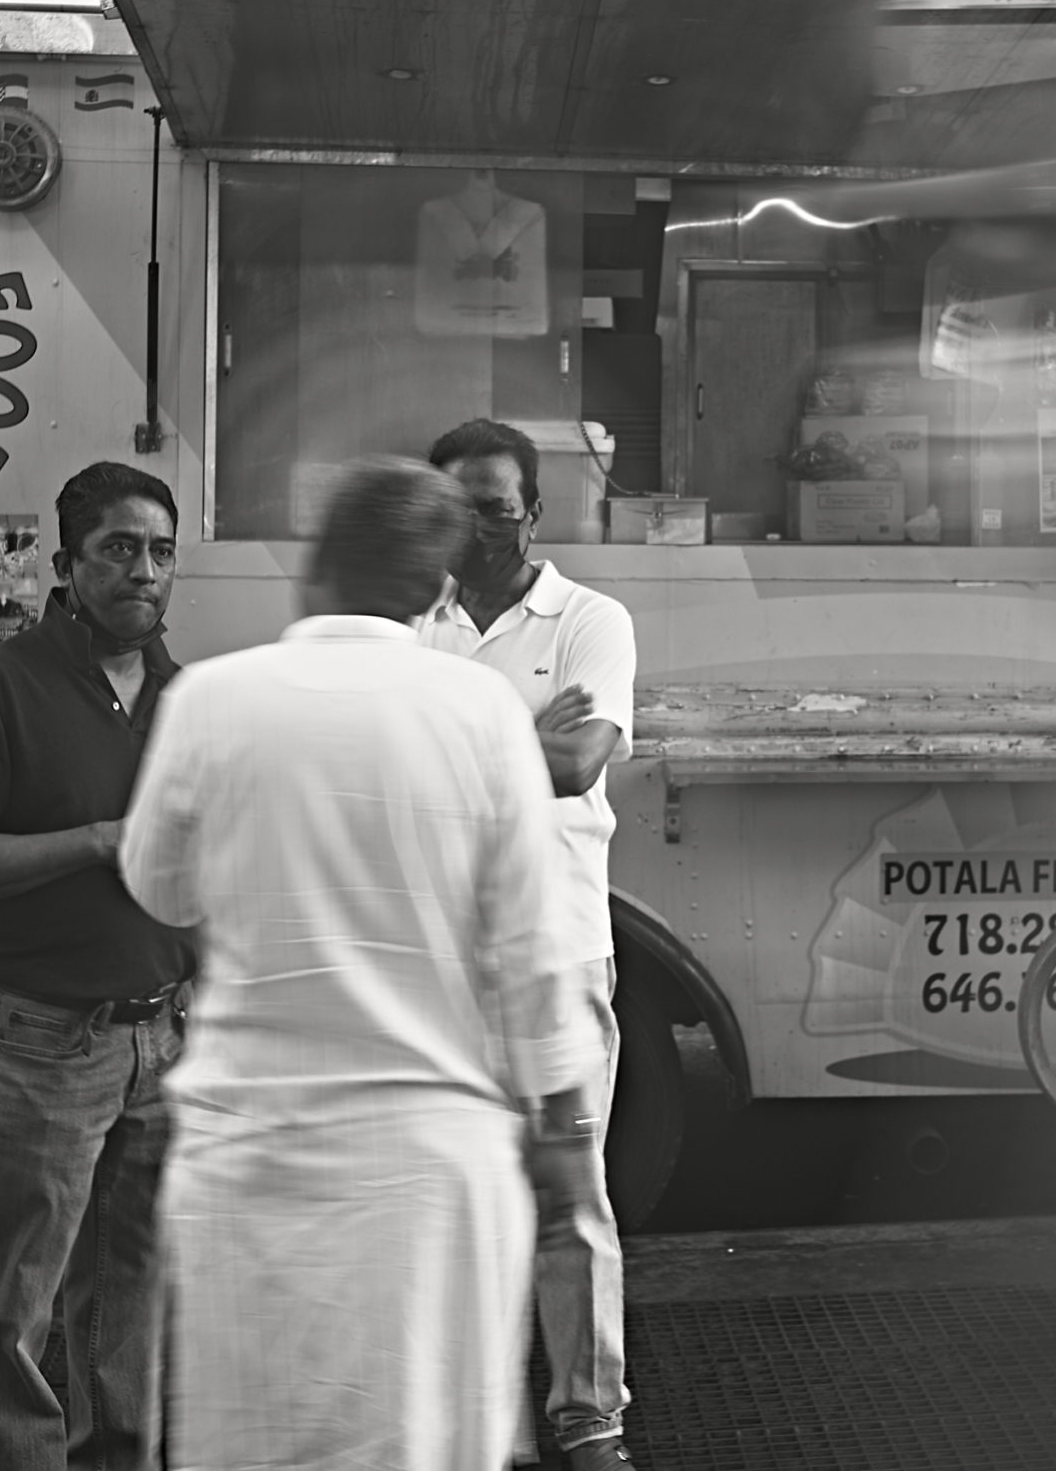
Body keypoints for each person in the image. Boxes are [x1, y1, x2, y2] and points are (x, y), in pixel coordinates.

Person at [120, 455, 597, 1471]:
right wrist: (561, 1117)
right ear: (434, 591)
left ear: (316, 571)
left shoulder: (211, 698)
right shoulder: (479, 714)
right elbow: (531, 947)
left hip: (252, 1159)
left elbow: (161, 889)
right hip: (430, 1170)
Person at [0, 461, 194, 1471]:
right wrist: (96, 840)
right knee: (15, 1313)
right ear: (66, 565)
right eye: (119, 549)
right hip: (41, 1043)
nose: (144, 572)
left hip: (165, 1037)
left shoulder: (186, 694)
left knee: (133, 1295)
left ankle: (120, 1458)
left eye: (161, 552)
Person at [421, 418, 638, 1471]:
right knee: (451, 1195)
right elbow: (394, 776)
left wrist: (457, 748)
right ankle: (480, 1422)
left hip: (554, 950)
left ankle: (588, 1416)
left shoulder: (592, 619)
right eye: (457, 511)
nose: (477, 530)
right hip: (441, 962)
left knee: (569, 1199)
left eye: (496, 510)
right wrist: (522, 735)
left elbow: (579, 761)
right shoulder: (413, 623)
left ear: (533, 513)